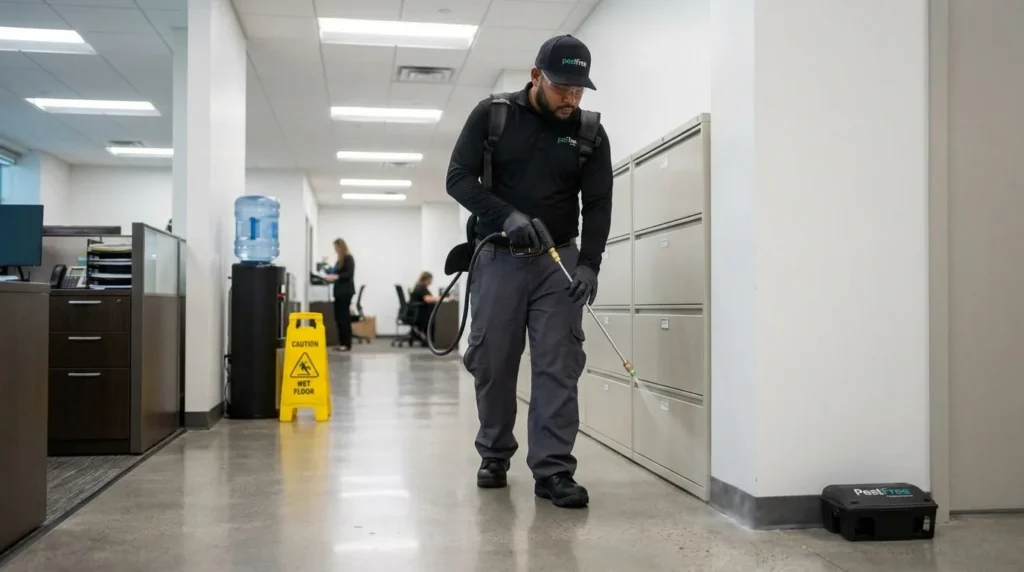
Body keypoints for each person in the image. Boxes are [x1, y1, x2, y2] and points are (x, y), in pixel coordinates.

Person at [445, 34, 612, 508]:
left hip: (558, 262)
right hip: (497, 257)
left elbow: (598, 204)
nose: (571, 98)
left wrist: (591, 265)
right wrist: (506, 216)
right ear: (536, 76)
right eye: (563, 88)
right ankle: (494, 453)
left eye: (580, 90)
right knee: (494, 362)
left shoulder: (589, 133)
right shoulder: (494, 115)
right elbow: (457, 177)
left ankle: (554, 471)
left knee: (559, 367)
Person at [323, 238, 355, 352]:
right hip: (339, 292)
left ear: (341, 247)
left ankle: (346, 344)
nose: (335, 250)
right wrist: (326, 267)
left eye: (336, 248)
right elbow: (334, 271)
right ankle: (342, 343)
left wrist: (336, 277)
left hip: (345, 292)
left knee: (344, 318)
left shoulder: (348, 258)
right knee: (338, 317)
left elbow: (349, 273)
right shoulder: (339, 260)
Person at [408, 271, 440, 343]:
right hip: (421, 313)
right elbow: (428, 299)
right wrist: (439, 298)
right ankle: (429, 340)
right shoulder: (421, 286)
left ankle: (425, 338)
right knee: (433, 319)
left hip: (418, 312)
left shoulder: (419, 285)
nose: (431, 282)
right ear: (427, 279)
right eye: (430, 280)